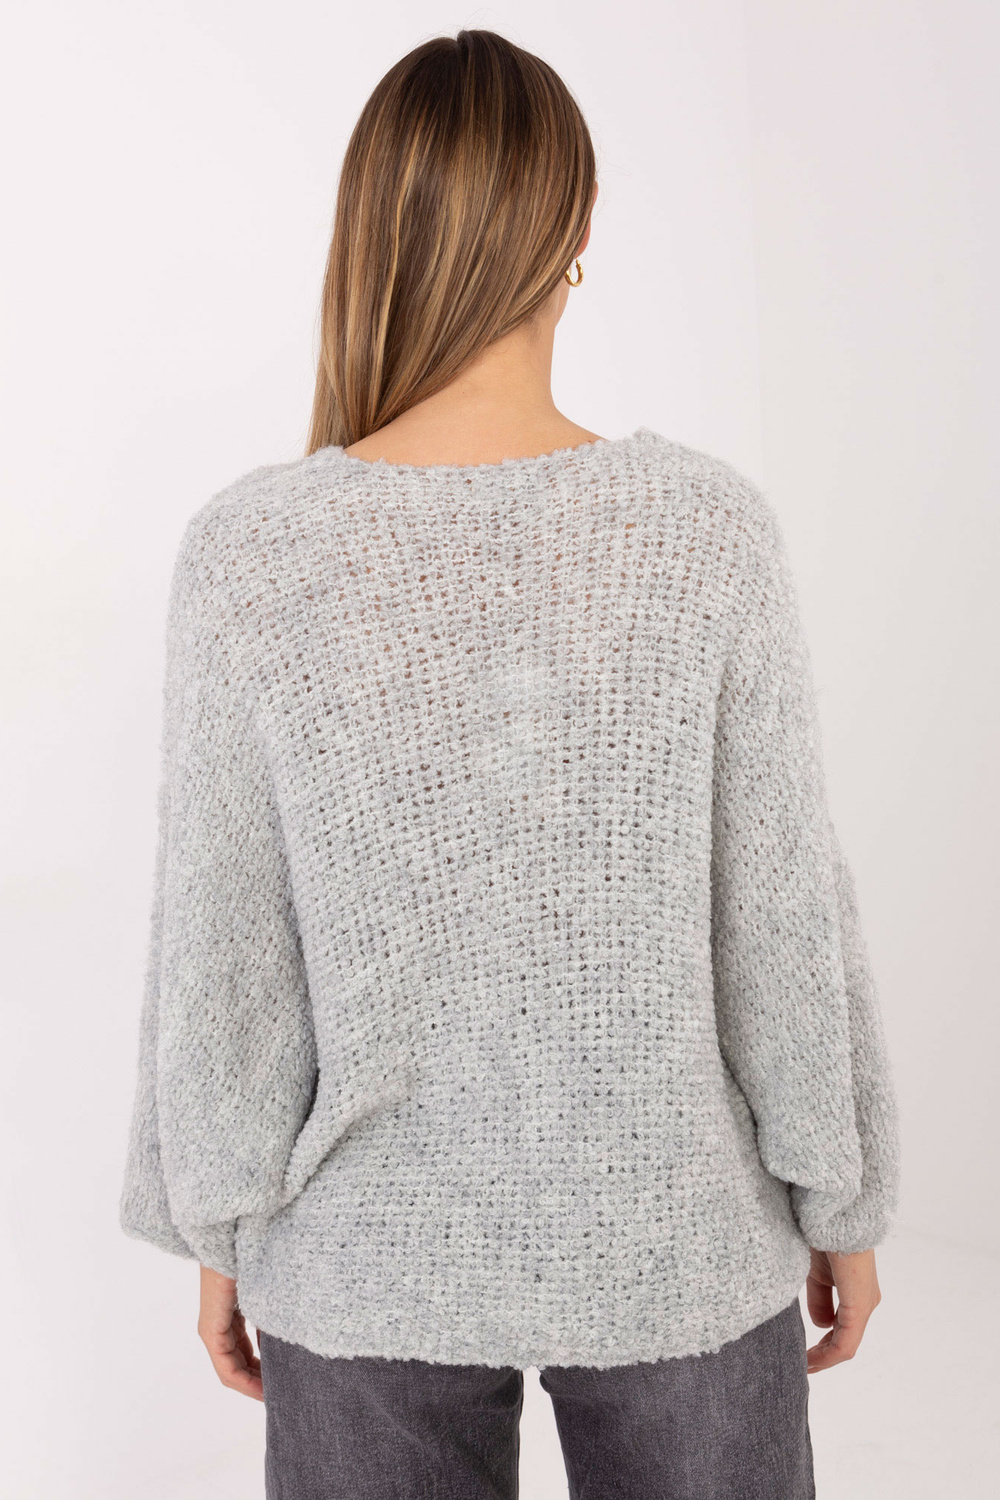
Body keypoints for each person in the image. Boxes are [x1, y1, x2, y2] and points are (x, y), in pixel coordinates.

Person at [119, 27, 900, 1500]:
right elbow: (782, 924)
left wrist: (219, 1232)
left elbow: (226, 954)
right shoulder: (703, 531)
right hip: (674, 1240)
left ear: (371, 225)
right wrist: (840, 1204)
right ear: (577, 230)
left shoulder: (253, 552)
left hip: (360, 1254)